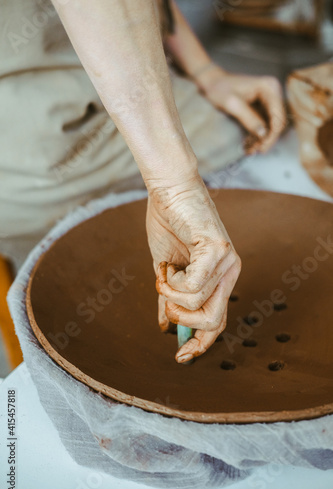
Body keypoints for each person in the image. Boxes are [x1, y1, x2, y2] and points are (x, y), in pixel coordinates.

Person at [0, 0, 285, 362]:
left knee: (254, 151)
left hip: (137, 82)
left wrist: (205, 72)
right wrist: (176, 185)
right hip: (28, 131)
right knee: (81, 310)